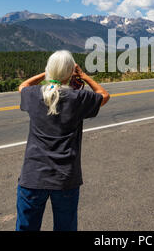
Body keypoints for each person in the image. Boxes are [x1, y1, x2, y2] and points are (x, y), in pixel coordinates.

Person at [15, 50, 110, 231]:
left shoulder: (34, 94)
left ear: (49, 71)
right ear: (70, 73)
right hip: (65, 178)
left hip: (33, 176)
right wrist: (82, 75)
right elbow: (103, 95)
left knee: (26, 227)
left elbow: (23, 85)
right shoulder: (77, 98)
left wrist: (48, 74)